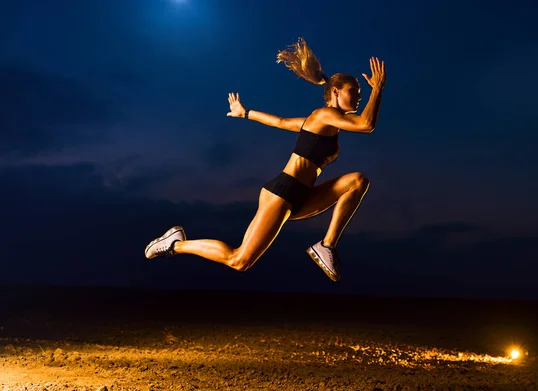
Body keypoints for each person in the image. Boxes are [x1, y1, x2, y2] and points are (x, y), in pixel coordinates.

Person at [145, 37, 386, 282]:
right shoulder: (324, 115)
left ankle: (326, 245)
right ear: (335, 92)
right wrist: (377, 89)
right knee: (239, 260)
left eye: (360, 92)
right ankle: (176, 244)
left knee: (357, 181)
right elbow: (366, 124)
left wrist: (246, 112)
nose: (358, 96)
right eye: (354, 91)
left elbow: (280, 122)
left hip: (303, 195)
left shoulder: (322, 124)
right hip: (284, 191)